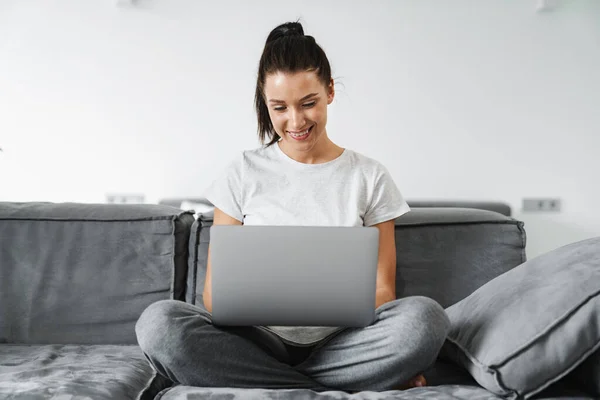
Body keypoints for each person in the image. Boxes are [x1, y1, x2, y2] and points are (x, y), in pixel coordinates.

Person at [136, 21, 450, 393]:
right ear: (265, 102)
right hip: (255, 342)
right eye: (280, 107)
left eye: (309, 103)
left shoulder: (369, 177)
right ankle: (327, 385)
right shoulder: (241, 172)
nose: (296, 121)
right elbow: (214, 295)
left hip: (344, 342)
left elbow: (383, 291)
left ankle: (288, 386)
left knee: (424, 320)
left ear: (330, 91)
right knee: (159, 324)